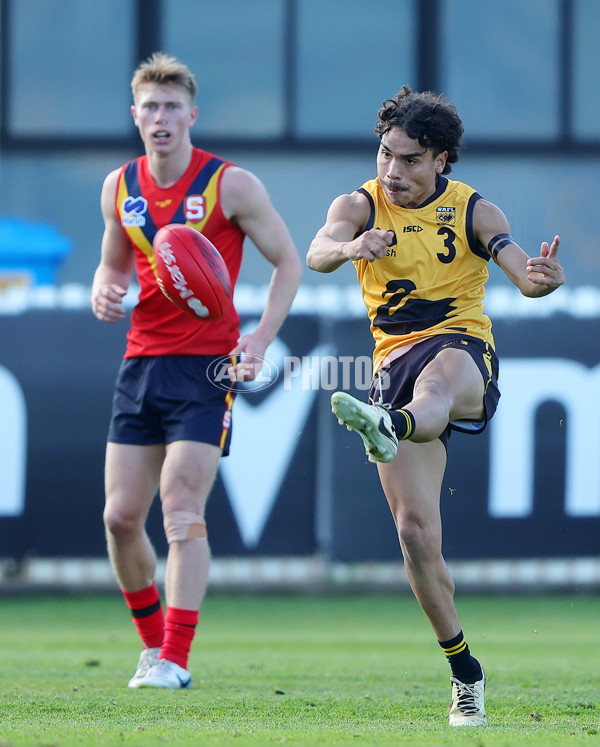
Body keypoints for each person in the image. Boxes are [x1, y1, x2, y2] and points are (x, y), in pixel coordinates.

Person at [306, 86, 564, 727]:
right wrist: (349, 249)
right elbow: (317, 252)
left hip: (462, 349)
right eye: (386, 155)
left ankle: (389, 426)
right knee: (416, 535)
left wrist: (541, 280)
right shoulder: (359, 205)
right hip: (392, 361)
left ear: (441, 160)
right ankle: (466, 672)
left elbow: (522, 275)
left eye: (410, 160)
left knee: (441, 380)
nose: (393, 172)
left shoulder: (475, 211)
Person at [91, 52, 302, 689]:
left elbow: (287, 262)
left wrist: (262, 338)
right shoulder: (119, 187)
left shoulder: (229, 185)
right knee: (120, 518)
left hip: (207, 369)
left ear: (191, 115)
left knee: (181, 509)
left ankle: (177, 660)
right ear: (135, 116)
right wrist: (105, 287)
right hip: (141, 364)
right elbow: (114, 265)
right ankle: (154, 649)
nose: (160, 118)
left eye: (171, 107)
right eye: (149, 108)